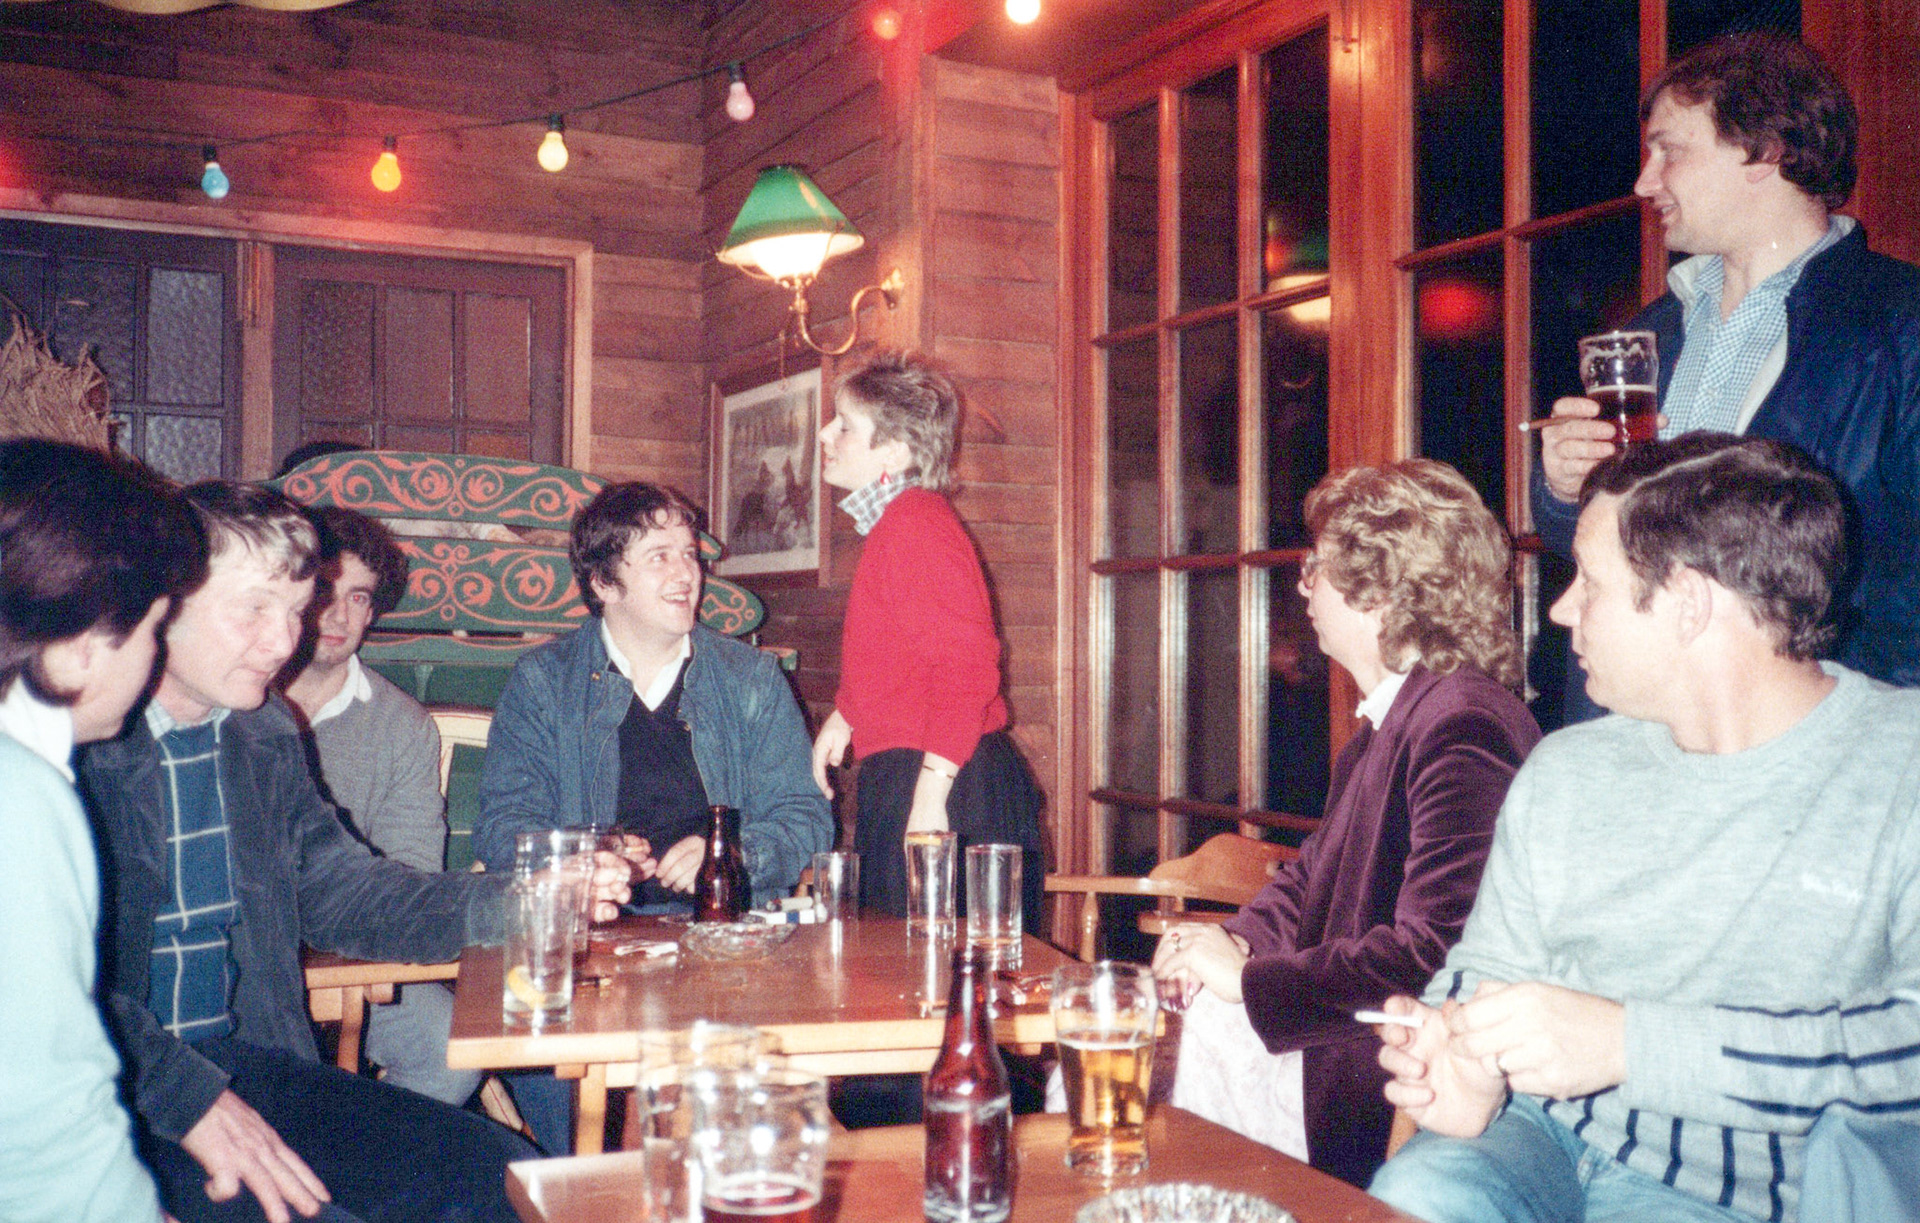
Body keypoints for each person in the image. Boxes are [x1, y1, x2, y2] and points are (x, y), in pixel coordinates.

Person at [1369, 435, 1920, 1223]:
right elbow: (1485, 963)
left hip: (1739, 1185)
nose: (1561, 610)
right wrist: (1452, 1053)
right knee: (1417, 1193)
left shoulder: (1901, 763)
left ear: (1687, 602)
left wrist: (1634, 1045)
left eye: (1589, 582)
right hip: (1541, 1137)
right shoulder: (1567, 768)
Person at [78, 481, 632, 1223]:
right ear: (164, 601)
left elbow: (348, 892)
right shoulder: (73, 745)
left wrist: (524, 898)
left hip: (251, 1066)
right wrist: (188, 1098)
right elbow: (43, 993)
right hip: (112, 1092)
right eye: (253, 609)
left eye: (295, 611)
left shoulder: (262, 730)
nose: (284, 641)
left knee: (508, 1183)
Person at [1149, 459, 1540, 1188]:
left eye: (1318, 566)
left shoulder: (1464, 723)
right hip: (1336, 1044)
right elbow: (1307, 883)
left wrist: (1248, 981)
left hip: (1382, 1078)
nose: (1303, 586)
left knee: (1139, 1067)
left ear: (1384, 591)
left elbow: (1438, 952)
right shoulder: (1397, 718)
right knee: (1142, 1025)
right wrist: (1231, 940)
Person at [1534, 32, 1920, 724]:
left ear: (1765, 150)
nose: (1644, 181)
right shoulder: (1646, 336)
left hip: (1812, 746)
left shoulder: (1900, 324)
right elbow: (1606, 549)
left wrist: (1866, 737)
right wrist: (1565, 491)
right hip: (1635, 736)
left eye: (1670, 150)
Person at [476, 479, 831, 1150]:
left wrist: (731, 852)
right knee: (566, 1097)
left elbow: (804, 814)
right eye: (659, 555)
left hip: (725, 948)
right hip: (588, 949)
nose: (686, 572)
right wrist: (592, 855)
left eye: (690, 553)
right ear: (605, 583)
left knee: (731, 1112)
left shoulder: (749, 678)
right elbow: (503, 828)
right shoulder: (543, 681)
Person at [0, 440, 203, 1223]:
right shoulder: (21, 798)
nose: (155, 658)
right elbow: (45, 1124)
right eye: (154, 628)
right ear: (82, 644)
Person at [810, 350, 1047, 927]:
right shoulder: (902, 522)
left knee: (934, 986)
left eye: (844, 425)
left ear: (893, 452)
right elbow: (900, 655)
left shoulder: (915, 527)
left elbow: (967, 671)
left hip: (951, 781)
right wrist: (847, 715)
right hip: (927, 771)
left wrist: (930, 796)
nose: (825, 433)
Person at [278, 505, 478, 1107]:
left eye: (359, 598)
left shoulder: (401, 725)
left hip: (357, 950)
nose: (338, 616)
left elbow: (414, 867)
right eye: (324, 593)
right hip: (255, 955)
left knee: (448, 1052)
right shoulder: (237, 701)